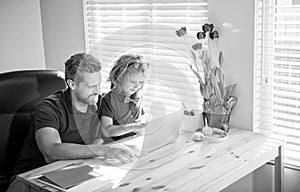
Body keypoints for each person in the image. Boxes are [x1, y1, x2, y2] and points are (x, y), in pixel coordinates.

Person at [7, 53, 135, 192]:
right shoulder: (49, 109)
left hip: (73, 170)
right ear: (71, 84)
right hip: (32, 179)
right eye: (92, 86)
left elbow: (111, 132)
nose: (97, 91)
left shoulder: (96, 103)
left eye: (98, 84)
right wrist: (101, 150)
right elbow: (51, 152)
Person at [99, 54, 150, 144]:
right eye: (133, 81)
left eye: (141, 82)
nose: (137, 86)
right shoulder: (108, 100)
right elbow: (107, 131)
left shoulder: (137, 97)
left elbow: (141, 119)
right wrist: (134, 126)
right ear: (119, 77)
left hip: (132, 142)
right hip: (114, 146)